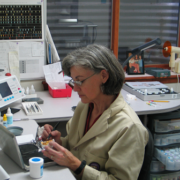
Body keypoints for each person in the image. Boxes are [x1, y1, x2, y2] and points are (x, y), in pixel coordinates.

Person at [41, 44, 149, 180]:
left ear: (103, 76)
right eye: (73, 82)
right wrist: (59, 143)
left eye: (79, 81)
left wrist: (77, 166)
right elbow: (77, 147)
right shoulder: (84, 106)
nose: (75, 89)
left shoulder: (129, 127)